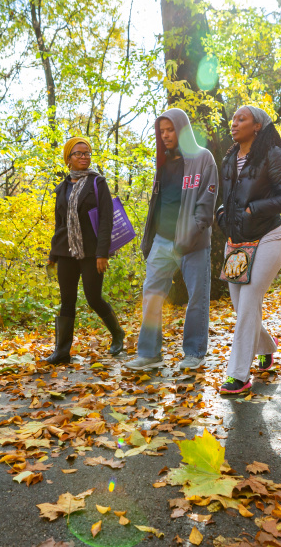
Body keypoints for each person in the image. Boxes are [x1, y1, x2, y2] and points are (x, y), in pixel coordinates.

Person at [125, 109, 218, 372]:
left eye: (170, 130)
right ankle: (150, 353)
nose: (165, 135)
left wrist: (191, 235)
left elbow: (206, 204)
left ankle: (194, 353)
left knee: (197, 299)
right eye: (161, 131)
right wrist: (151, 238)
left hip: (193, 243)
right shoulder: (162, 161)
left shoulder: (203, 158)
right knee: (151, 296)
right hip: (161, 242)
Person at [215, 106, 281, 395]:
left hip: (268, 237)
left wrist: (253, 210)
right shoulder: (228, 159)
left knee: (249, 300)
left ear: (257, 126)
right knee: (242, 307)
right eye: (233, 119)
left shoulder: (270, 155)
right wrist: (222, 214)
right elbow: (226, 196)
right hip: (237, 241)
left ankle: (238, 375)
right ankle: (266, 346)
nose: (234, 123)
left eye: (242, 119)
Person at [45, 137, 125, 364]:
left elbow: (106, 220)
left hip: (92, 252)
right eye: (78, 153)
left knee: (93, 297)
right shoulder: (62, 188)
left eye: (87, 153)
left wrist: (102, 254)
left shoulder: (97, 183)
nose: (84, 157)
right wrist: (53, 254)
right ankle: (62, 351)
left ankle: (117, 333)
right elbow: (59, 224)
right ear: (68, 158)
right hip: (66, 251)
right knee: (67, 299)